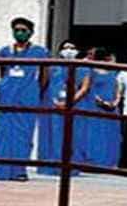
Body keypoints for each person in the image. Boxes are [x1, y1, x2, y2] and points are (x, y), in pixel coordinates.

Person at [0, 17, 49, 181]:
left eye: (23, 30)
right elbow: (3, 72)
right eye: (16, 30)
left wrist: (35, 92)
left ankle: (18, 170)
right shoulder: (4, 51)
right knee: (4, 132)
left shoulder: (40, 52)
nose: (20, 33)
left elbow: (44, 76)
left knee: (24, 134)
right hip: (7, 96)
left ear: (31, 32)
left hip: (28, 96)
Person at [37, 40, 89, 176]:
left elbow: (84, 88)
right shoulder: (53, 67)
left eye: (72, 48)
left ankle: (71, 166)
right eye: (66, 48)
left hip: (75, 105)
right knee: (52, 133)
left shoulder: (84, 68)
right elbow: (43, 83)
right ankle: (50, 165)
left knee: (72, 134)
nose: (69, 51)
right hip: (52, 104)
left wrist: (70, 102)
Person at [77, 47, 121, 170]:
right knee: (93, 134)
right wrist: (102, 102)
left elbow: (117, 89)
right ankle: (93, 162)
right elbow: (87, 88)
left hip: (111, 108)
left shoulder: (113, 71)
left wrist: (115, 102)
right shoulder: (90, 71)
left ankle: (107, 162)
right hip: (94, 106)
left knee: (109, 134)